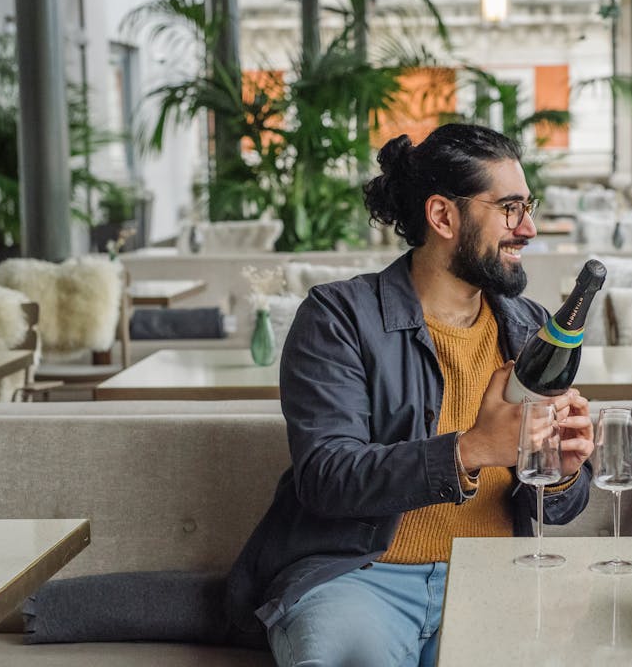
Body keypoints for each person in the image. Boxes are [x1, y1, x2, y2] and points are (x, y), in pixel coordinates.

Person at [225, 123, 595, 666]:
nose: (530, 228)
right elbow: (325, 476)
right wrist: (468, 450)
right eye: (510, 209)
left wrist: (561, 470)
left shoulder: (531, 327)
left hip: (491, 581)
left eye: (528, 206)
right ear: (443, 215)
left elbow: (557, 505)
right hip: (359, 579)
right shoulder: (339, 317)